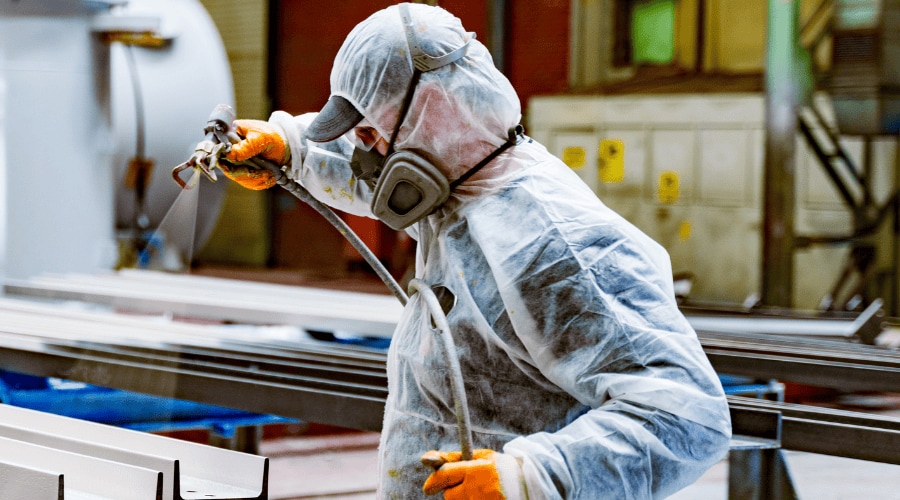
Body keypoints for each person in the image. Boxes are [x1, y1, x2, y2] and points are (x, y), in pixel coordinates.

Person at [220, 3, 731, 498]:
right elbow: (366, 174)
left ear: (434, 112)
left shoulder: (558, 245)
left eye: (372, 132)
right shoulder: (457, 190)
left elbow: (687, 415)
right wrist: (290, 147)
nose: (365, 152)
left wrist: (535, 478)